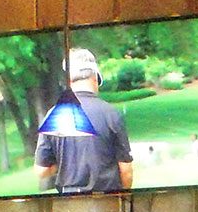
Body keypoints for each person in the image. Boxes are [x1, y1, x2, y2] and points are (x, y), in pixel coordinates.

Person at [33, 48, 133, 194]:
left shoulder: (53, 116)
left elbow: (41, 171)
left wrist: (62, 163)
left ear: (69, 81)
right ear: (95, 78)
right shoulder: (112, 114)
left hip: (69, 204)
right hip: (107, 201)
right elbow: (126, 170)